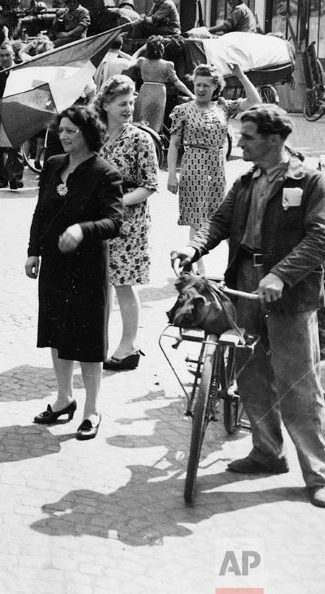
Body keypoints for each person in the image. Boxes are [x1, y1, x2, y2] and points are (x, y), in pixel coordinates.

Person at [171, 105, 325, 508]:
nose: (239, 141)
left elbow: (320, 237)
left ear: (274, 140)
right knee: (252, 375)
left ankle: (318, 472)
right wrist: (193, 246)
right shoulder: (245, 182)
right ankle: (267, 453)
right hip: (244, 286)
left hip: (289, 294)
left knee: (298, 384)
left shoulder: (309, 182)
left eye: (248, 136)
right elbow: (218, 222)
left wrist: (281, 275)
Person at [26, 105, 123, 441]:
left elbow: (115, 221)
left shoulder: (104, 173)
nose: (64, 136)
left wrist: (83, 229)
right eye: (61, 130)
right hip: (54, 263)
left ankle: (92, 409)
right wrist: (32, 251)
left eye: (71, 131)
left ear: (88, 134)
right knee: (56, 332)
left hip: (87, 268)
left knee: (87, 339)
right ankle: (64, 398)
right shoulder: (53, 166)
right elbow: (41, 213)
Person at [94, 76, 159, 371]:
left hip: (128, 221)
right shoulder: (94, 135)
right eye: (122, 103)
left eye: (132, 102)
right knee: (100, 283)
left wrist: (118, 203)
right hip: (97, 220)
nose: (129, 108)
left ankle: (129, 345)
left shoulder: (140, 138)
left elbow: (149, 185)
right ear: (105, 104)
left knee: (123, 283)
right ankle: (99, 343)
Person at [167, 63, 261, 264]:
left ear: (215, 88)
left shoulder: (223, 107)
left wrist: (241, 75)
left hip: (217, 165)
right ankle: (196, 268)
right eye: (198, 85)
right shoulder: (182, 110)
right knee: (197, 217)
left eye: (206, 86)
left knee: (221, 215)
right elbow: (174, 144)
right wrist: (171, 175)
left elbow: (255, 101)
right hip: (193, 164)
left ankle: (233, 264)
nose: (200, 89)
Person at [124, 35, 192, 133]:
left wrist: (140, 49)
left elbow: (131, 59)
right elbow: (177, 82)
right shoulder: (167, 64)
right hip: (159, 93)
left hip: (145, 90)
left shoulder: (142, 61)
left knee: (140, 120)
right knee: (154, 122)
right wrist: (191, 94)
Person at [0, 43, 26, 190]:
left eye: (7, 55)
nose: (4, 58)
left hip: (17, 114)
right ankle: (2, 178)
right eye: (1, 55)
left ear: (13, 55)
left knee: (16, 147)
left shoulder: (21, 71)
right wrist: (2, 104)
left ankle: (16, 177)